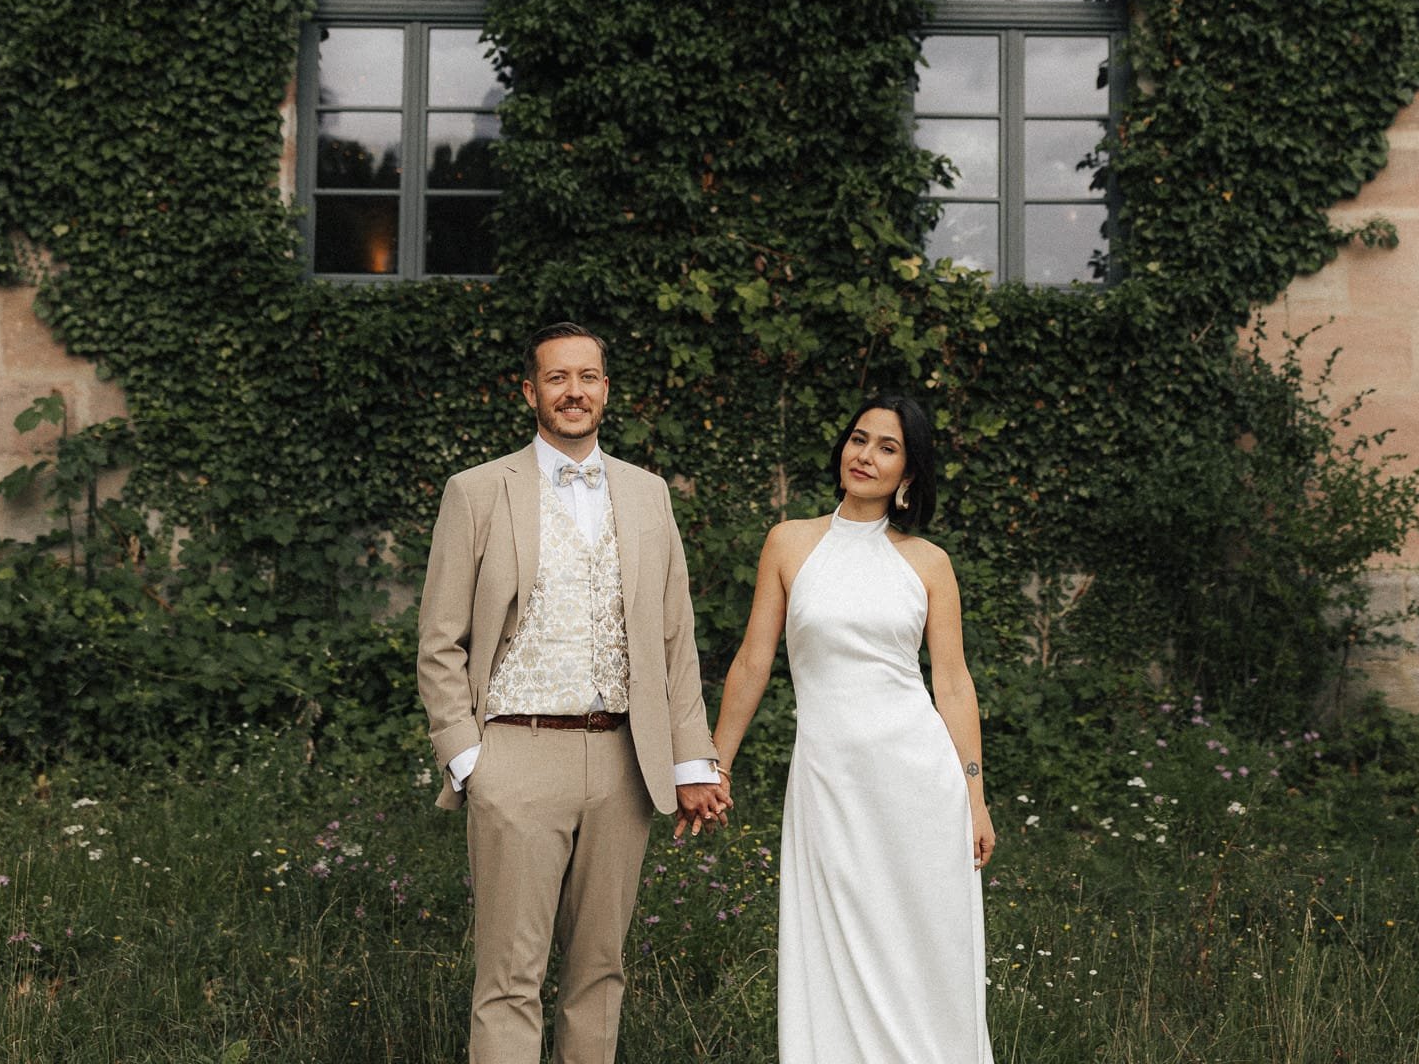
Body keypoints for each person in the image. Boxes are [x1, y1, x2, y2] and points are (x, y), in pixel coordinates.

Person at [417, 321, 731, 1064]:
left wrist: (692, 761)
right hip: (516, 756)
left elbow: (674, 641)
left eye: (587, 377)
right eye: (557, 378)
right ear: (531, 392)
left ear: (606, 390)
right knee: (509, 978)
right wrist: (469, 759)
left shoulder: (648, 495)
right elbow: (439, 641)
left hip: (625, 761)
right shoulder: (477, 491)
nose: (574, 392)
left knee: (600, 973)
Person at [709, 393, 996, 1063]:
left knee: (926, 947)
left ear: (910, 475)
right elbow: (754, 661)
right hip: (829, 781)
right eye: (859, 438)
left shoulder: (929, 563)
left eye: (887, 447)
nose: (866, 455)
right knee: (834, 947)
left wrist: (975, 798)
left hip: (920, 785)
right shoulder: (789, 542)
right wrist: (715, 764)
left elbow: (952, 685)